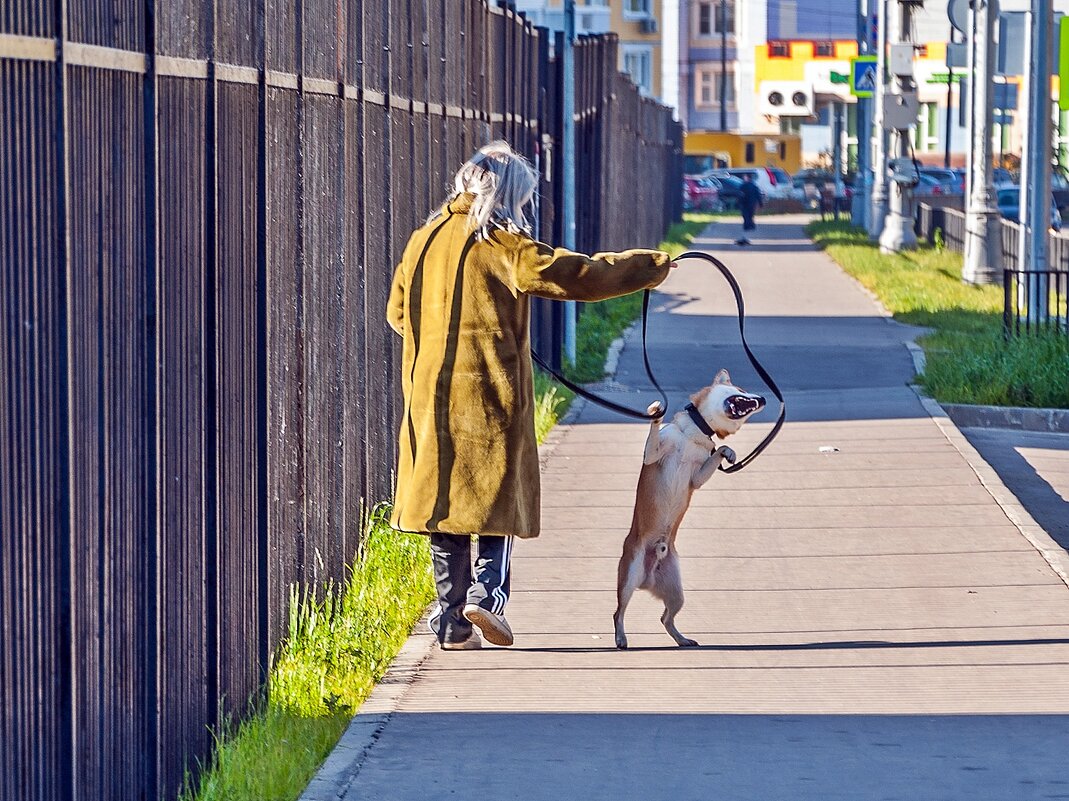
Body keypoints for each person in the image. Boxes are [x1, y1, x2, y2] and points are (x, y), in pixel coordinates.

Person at [386, 141, 673, 650]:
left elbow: (397, 314)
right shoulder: (504, 245)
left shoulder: (422, 239)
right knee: (499, 502)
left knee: (445, 506)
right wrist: (648, 266)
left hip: (429, 397)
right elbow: (578, 274)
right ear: (508, 195)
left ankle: (452, 624)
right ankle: (487, 597)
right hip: (491, 393)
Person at [736, 173, 762, 246]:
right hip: (751, 204)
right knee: (749, 216)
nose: (744, 178)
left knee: (747, 217)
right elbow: (758, 195)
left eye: (745, 177)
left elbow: (740, 196)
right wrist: (760, 203)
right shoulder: (753, 186)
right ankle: (749, 228)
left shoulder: (744, 186)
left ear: (747, 178)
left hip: (745, 204)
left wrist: (739, 203)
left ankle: (747, 230)